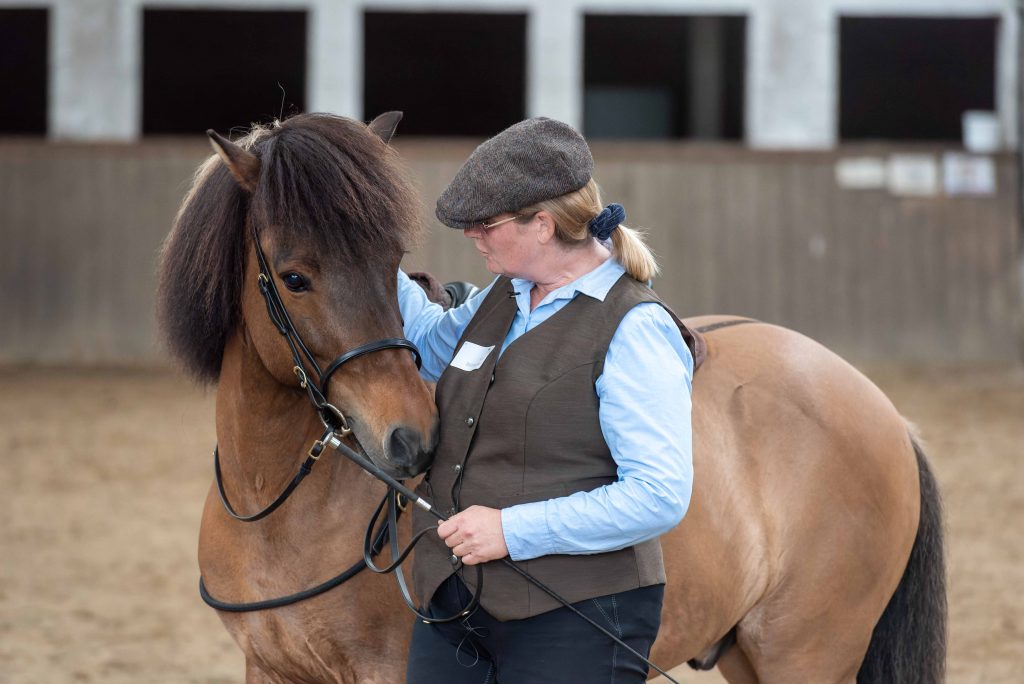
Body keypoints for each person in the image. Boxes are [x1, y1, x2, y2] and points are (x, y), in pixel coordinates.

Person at [397, 117, 696, 683]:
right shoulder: (501, 295)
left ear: (541, 224)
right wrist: (347, 234)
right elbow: (428, 347)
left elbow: (659, 495)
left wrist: (512, 530)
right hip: (453, 597)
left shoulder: (633, 327)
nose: (472, 236)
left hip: (579, 612)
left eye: (486, 224)